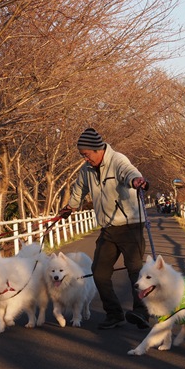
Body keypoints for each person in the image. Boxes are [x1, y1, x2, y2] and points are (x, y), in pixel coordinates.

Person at [59, 127, 151, 330]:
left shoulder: (117, 160)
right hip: (108, 228)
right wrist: (70, 208)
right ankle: (114, 314)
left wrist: (137, 181)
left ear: (97, 149)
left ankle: (142, 312)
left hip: (130, 225)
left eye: (86, 154)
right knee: (99, 273)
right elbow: (79, 190)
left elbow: (129, 173)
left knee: (136, 270)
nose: (85, 159)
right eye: (82, 155)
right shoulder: (87, 170)